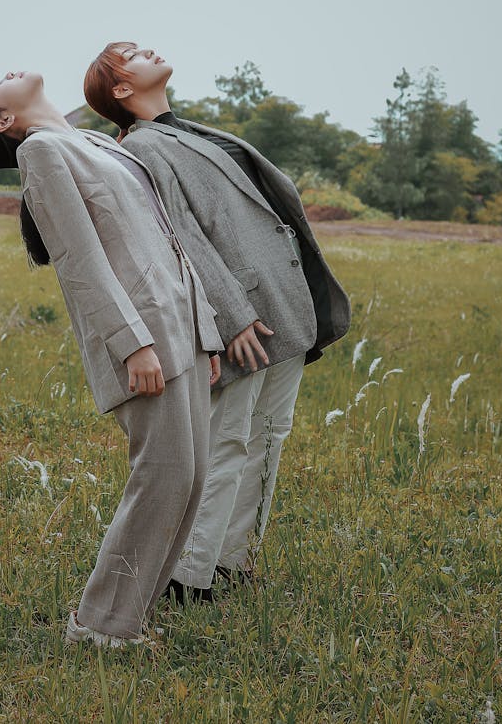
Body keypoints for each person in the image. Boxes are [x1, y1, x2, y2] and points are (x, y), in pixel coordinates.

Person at [0, 69, 222, 646]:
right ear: (3, 122)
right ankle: (102, 626)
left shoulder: (96, 140)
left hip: (182, 323)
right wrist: (132, 343)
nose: (2, 75)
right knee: (163, 477)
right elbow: (79, 260)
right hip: (143, 334)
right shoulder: (42, 151)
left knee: (192, 479)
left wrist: (206, 328)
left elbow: (164, 236)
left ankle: (130, 617)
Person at [84, 44, 351, 599]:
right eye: (131, 54)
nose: (147, 49)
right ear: (120, 90)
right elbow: (178, 232)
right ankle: (189, 576)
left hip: (285, 305)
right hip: (243, 314)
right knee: (227, 439)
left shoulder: (189, 130)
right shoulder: (142, 148)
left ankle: (233, 562)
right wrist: (230, 316)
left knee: (269, 437)